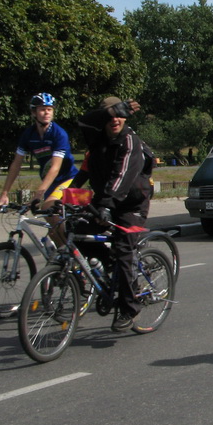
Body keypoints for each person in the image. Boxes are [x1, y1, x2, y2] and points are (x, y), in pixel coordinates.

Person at [77, 97, 153, 332]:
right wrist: (61, 200)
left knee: (123, 248)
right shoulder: (97, 137)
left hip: (131, 204)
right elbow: (83, 121)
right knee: (77, 233)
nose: (115, 120)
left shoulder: (130, 141)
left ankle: (129, 308)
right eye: (110, 116)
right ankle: (112, 266)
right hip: (105, 203)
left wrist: (107, 206)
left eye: (120, 115)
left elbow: (121, 177)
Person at [0, 93, 79, 213]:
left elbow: (55, 168)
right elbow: (16, 164)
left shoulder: (59, 134)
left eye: (50, 109)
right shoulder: (29, 135)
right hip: (51, 182)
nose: (47, 113)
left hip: (68, 179)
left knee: (47, 208)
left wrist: (37, 196)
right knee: (48, 218)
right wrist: (4, 194)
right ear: (34, 112)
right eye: (42, 110)